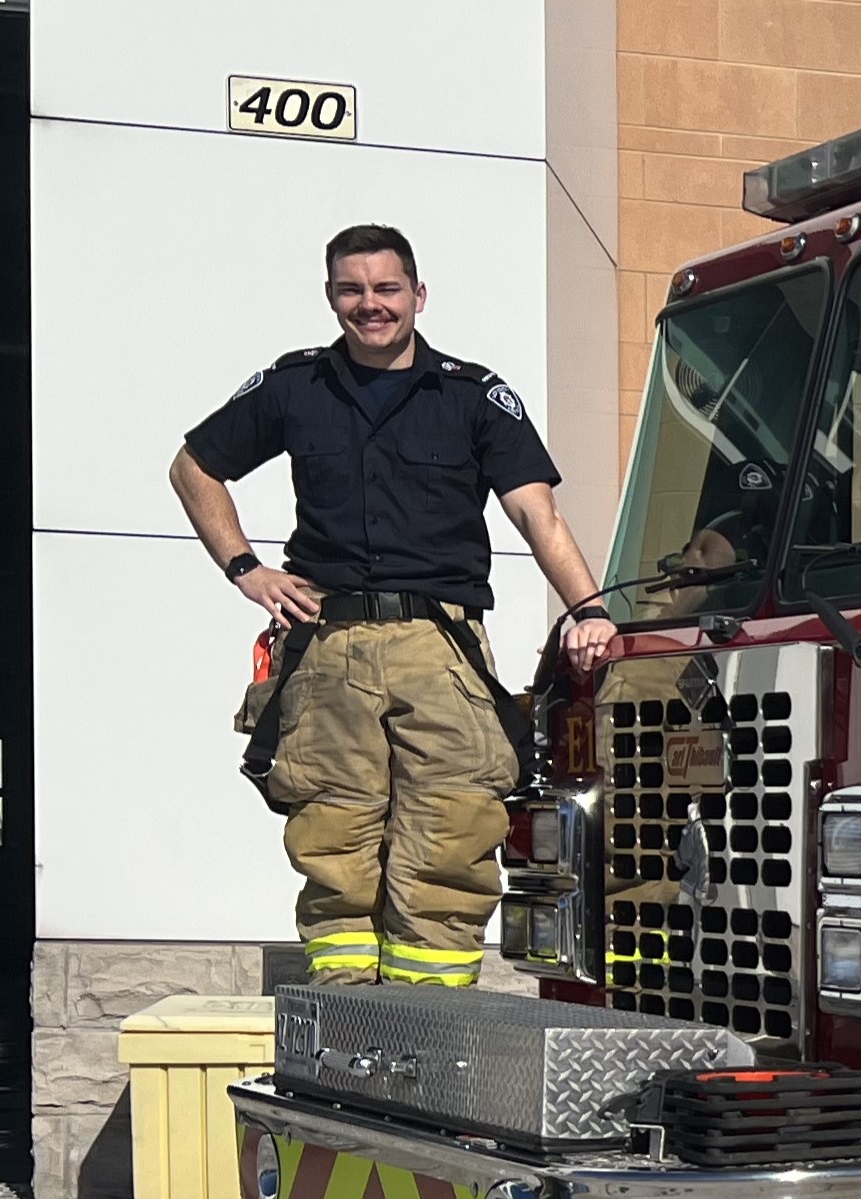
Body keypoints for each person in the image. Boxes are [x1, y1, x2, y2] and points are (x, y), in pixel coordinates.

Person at [170, 224, 617, 988]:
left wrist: (589, 608)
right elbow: (194, 467)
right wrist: (246, 568)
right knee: (334, 835)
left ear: (417, 294)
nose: (370, 304)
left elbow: (537, 515)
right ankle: (345, 1019)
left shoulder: (475, 396)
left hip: (438, 646)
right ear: (331, 297)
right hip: (328, 644)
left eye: (386, 288)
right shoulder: (294, 386)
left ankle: (429, 1027)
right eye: (352, 289)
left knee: (450, 831)